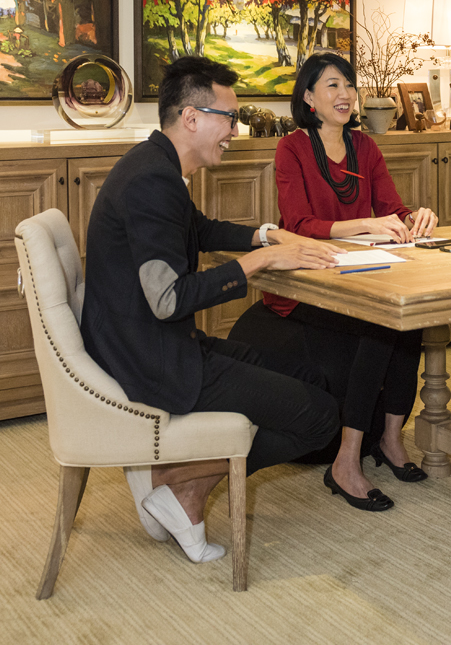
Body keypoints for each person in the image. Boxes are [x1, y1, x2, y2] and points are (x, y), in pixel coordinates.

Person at [80, 56, 344, 564]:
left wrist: (266, 234)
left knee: (307, 376)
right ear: (192, 118)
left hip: (153, 346)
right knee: (319, 417)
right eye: (230, 117)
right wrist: (260, 261)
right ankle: (181, 478)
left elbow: (195, 229)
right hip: (153, 363)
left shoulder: (154, 165)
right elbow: (168, 300)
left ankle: (180, 479)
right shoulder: (152, 181)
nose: (235, 130)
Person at [230, 52, 438, 512]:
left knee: (409, 321)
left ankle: (389, 439)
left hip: (365, 272)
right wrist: (367, 225)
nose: (344, 94)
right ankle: (345, 463)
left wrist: (415, 217)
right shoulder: (293, 149)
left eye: (348, 85)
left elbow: (393, 208)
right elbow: (300, 223)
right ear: (308, 98)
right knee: (379, 327)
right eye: (332, 86)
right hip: (309, 282)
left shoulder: (366, 148)